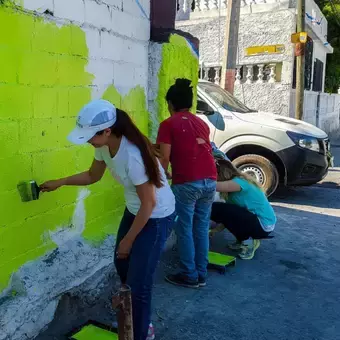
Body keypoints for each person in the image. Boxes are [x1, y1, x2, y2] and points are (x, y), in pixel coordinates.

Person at [40, 99, 176, 340]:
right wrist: (61, 182)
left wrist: (129, 240)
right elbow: (93, 175)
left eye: (91, 136)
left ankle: (140, 332)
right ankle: (137, 318)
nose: (89, 142)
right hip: (135, 210)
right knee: (122, 264)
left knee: (138, 286)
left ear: (107, 131)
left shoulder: (133, 156)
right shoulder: (103, 146)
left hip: (156, 216)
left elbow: (150, 203)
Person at [156, 78, 217, 288]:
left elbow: (163, 158)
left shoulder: (168, 124)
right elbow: (195, 150)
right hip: (210, 180)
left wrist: (161, 178)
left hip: (188, 184)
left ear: (170, 104)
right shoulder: (201, 123)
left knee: (184, 228)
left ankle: (189, 275)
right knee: (200, 228)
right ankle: (201, 273)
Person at [210, 159, 276, 260]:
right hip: (257, 222)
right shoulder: (234, 188)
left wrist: (195, 180)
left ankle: (249, 242)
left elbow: (212, 186)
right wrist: (214, 231)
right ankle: (242, 240)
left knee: (218, 208)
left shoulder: (239, 182)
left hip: (263, 225)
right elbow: (227, 219)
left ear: (222, 174)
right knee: (223, 211)